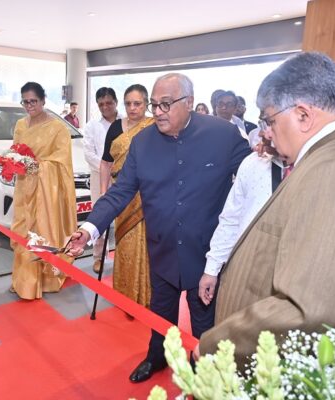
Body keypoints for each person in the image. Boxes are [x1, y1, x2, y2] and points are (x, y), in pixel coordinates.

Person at [67, 73, 251, 383]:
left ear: (189, 103)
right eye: (155, 105)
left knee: (204, 321)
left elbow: (251, 179)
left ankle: (203, 370)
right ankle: (157, 356)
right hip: (162, 249)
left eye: (166, 104)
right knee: (159, 313)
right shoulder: (142, 143)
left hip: (205, 255)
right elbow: (120, 191)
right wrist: (89, 229)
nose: (159, 111)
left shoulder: (223, 135)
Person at [196, 52, 335, 367]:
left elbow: (310, 309)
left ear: (304, 115)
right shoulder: (324, 158)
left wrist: (219, 345)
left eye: (269, 119)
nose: (265, 131)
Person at [10, 82, 77, 299]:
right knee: (22, 231)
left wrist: (37, 166)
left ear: (43, 100)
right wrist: (11, 161)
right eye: (25, 101)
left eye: (33, 101)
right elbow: (16, 151)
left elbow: (62, 162)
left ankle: (45, 280)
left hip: (46, 191)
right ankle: (25, 282)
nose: (29, 105)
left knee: (41, 233)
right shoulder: (20, 124)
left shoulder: (58, 128)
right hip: (24, 188)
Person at [198, 148, 289, 306]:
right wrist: (211, 269)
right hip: (246, 269)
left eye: (272, 122)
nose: (264, 133)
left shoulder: (320, 168)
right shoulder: (255, 162)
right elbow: (231, 219)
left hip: (292, 278)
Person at [100, 84, 154, 308]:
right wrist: (104, 194)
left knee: (149, 245)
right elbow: (106, 162)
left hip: (149, 195)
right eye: (128, 104)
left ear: (146, 104)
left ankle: (147, 294)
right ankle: (125, 293)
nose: (133, 108)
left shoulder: (153, 126)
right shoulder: (115, 127)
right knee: (125, 242)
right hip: (123, 194)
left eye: (137, 103)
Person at [83, 87, 120, 272]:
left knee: (125, 218)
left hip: (125, 177)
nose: (105, 107)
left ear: (116, 102)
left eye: (109, 103)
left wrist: (119, 168)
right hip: (99, 176)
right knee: (100, 217)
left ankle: (123, 256)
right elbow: (89, 154)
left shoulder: (126, 123)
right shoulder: (91, 126)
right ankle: (98, 257)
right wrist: (107, 166)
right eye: (101, 104)